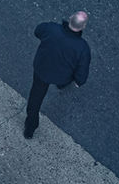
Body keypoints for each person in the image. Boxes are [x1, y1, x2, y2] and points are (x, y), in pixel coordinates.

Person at [24, 10, 91, 139]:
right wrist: (78, 81)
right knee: (64, 81)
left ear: (70, 18)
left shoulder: (52, 29)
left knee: (35, 99)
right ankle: (61, 86)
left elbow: (38, 31)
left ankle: (30, 128)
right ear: (83, 27)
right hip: (62, 76)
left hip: (42, 70)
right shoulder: (83, 48)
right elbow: (82, 71)